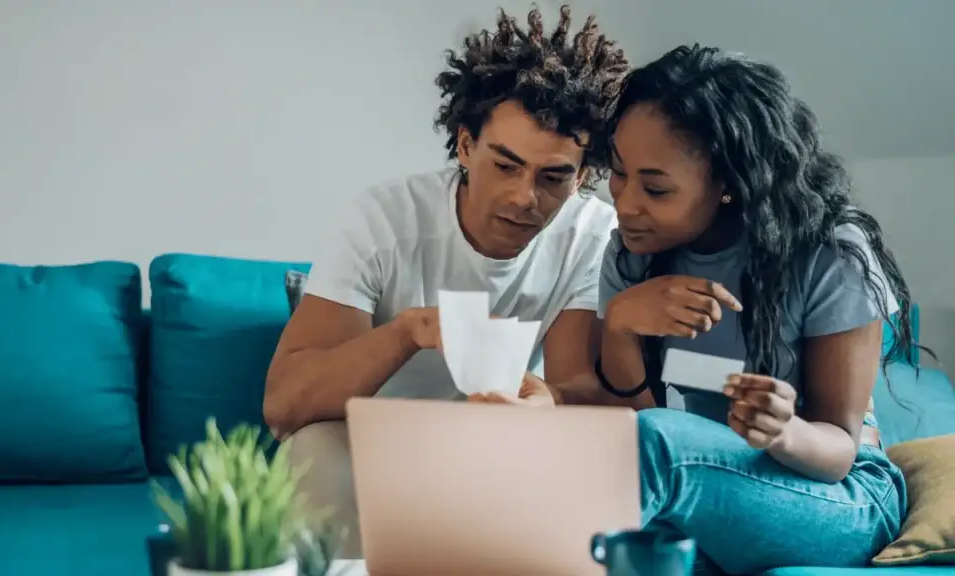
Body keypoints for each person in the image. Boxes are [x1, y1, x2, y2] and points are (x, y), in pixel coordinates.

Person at [476, 44, 917, 574]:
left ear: (729, 185)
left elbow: (839, 450)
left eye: (656, 188)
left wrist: (783, 430)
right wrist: (619, 327)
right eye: (618, 173)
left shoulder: (829, 254)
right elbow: (630, 440)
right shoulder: (632, 254)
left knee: (649, 445)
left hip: (834, 499)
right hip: (698, 493)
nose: (625, 202)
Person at [263, 6, 630, 557]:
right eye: (505, 165)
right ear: (465, 146)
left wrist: (548, 402)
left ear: (582, 177)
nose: (523, 198)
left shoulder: (594, 233)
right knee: (309, 449)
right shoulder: (383, 220)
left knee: (590, 460)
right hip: (366, 443)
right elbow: (285, 405)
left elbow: (577, 382)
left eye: (553, 178)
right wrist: (408, 331)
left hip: (494, 449)